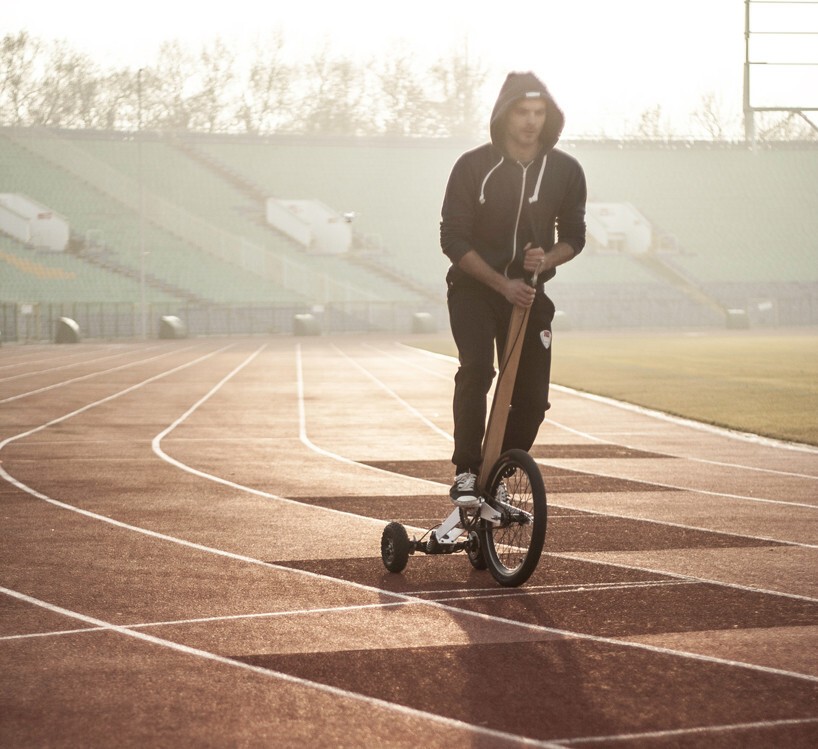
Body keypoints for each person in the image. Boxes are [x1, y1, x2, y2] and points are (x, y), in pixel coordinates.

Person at [440, 71, 587, 507]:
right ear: (505, 116)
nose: (530, 121)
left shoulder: (565, 171)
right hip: (475, 290)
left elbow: (574, 236)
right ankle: (468, 471)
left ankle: (497, 471)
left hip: (529, 296)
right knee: (478, 370)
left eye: (539, 113)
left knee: (533, 399)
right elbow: (453, 239)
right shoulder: (473, 166)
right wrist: (502, 284)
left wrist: (547, 259)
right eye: (522, 112)